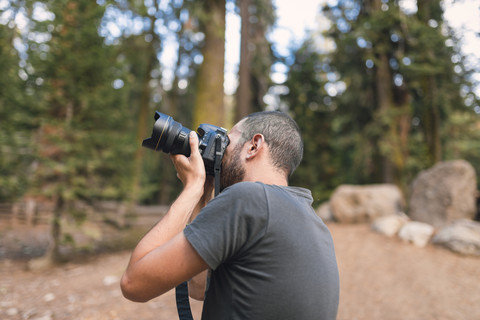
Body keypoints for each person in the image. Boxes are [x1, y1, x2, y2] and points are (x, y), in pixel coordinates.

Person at [121, 111, 339, 319]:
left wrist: (191, 188)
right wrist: (204, 193)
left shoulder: (249, 198)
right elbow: (198, 287)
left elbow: (134, 283)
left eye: (227, 140)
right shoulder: (313, 222)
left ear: (254, 146)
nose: (221, 151)